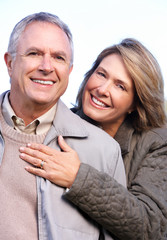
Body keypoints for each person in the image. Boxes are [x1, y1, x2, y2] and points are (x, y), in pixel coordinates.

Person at [19, 38, 167, 240]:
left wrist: (79, 177)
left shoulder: (157, 143)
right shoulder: (56, 124)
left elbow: (151, 227)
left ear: (135, 103)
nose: (102, 89)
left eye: (120, 86)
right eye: (101, 74)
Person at [0, 12, 126, 240]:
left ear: (69, 71)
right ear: (10, 63)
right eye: (34, 53)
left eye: (59, 58)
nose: (46, 66)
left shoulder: (105, 152)